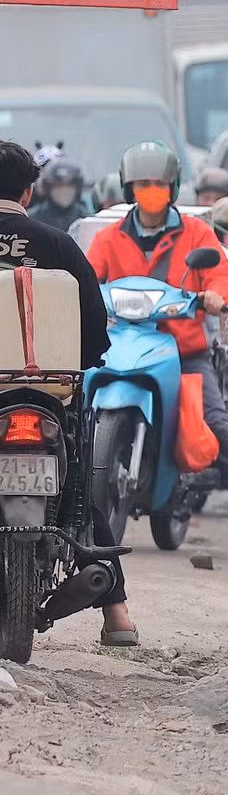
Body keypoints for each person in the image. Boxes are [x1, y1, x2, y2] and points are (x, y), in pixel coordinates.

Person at [87, 142, 228, 553]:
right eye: (141, 184)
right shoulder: (109, 237)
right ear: (128, 188)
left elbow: (218, 276)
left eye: (157, 184)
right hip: (123, 342)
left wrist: (214, 296)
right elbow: (88, 277)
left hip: (183, 349)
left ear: (172, 187)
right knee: (73, 402)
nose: (149, 191)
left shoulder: (197, 233)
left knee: (215, 420)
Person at [0, 140, 136, 647]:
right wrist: (82, 357)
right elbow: (96, 326)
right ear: (30, 191)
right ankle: (117, 613)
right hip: (48, 394)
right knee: (77, 481)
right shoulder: (57, 244)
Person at [27, 158, 90, 230]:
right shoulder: (31, 219)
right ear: (48, 190)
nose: (63, 194)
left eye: (68, 189)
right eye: (58, 189)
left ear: (77, 190)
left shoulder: (86, 219)